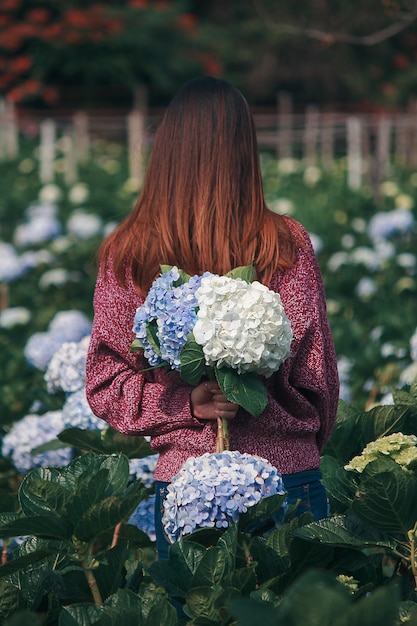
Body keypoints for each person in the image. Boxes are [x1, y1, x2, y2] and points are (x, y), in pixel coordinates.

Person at [85, 76, 340, 560]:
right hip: (287, 477)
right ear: (245, 148)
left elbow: (105, 383)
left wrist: (187, 405)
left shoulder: (128, 251)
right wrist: (295, 441)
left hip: (187, 488)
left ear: (166, 148)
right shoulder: (285, 244)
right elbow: (318, 376)